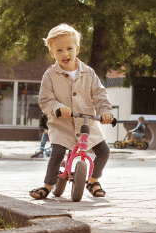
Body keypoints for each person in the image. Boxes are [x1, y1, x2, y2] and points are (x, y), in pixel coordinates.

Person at [29, 24, 114, 200]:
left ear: (77, 49)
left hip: (87, 124)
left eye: (69, 48)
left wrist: (105, 112)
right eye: (59, 50)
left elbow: (100, 95)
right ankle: (47, 186)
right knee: (58, 152)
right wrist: (57, 108)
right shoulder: (50, 75)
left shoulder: (89, 73)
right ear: (52, 53)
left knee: (104, 151)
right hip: (62, 125)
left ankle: (93, 180)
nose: (65, 54)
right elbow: (45, 100)